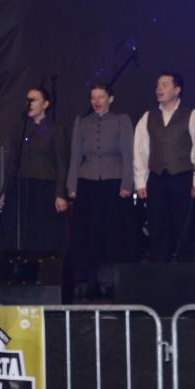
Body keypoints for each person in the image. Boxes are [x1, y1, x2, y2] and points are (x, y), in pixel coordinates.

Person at [133, 72, 195, 262]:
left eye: (164, 84)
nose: (159, 88)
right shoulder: (148, 117)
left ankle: (183, 272)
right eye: (157, 85)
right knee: (157, 228)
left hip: (182, 178)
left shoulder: (192, 116)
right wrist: (140, 181)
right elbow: (140, 151)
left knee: (183, 228)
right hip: (156, 179)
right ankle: (160, 271)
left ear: (177, 90)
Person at [67, 83, 135, 298]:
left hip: (113, 183)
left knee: (111, 234)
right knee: (88, 235)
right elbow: (75, 156)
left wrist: (127, 184)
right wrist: (72, 186)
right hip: (87, 183)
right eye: (93, 98)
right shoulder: (82, 122)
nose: (96, 101)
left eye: (101, 97)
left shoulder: (121, 120)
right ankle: (89, 282)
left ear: (110, 99)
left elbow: (128, 155)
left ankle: (110, 281)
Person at [0, 88, 69, 251]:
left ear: (45, 104)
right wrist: (5, 191)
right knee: (20, 230)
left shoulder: (56, 128)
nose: (29, 103)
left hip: (45, 185)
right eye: (28, 99)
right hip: (22, 185)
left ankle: (42, 264)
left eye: (34, 100)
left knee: (42, 231)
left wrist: (60, 193)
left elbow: (62, 162)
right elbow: (13, 161)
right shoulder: (20, 128)